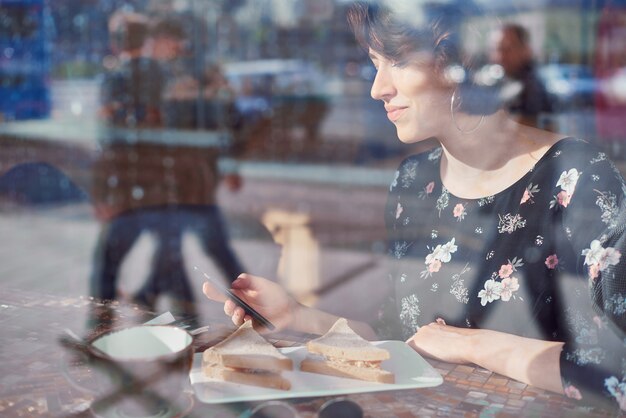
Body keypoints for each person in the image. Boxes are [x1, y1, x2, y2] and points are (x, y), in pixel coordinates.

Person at [203, 2, 626, 412]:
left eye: (398, 61)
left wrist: (473, 344)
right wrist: (295, 314)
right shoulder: (414, 180)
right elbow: (400, 339)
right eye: (375, 62)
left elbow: (618, 374)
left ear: (462, 61)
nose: (377, 87)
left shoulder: (579, 177)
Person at [91, 14, 245, 325]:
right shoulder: (172, 75)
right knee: (174, 256)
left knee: (177, 254)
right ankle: (177, 316)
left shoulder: (170, 76)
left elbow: (120, 137)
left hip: (171, 186)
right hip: (173, 186)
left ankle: (106, 323)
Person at [490, 23, 555, 129]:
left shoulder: (527, 90)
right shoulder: (515, 81)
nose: (500, 56)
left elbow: (521, 137)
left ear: (525, 49)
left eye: (508, 48)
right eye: (497, 49)